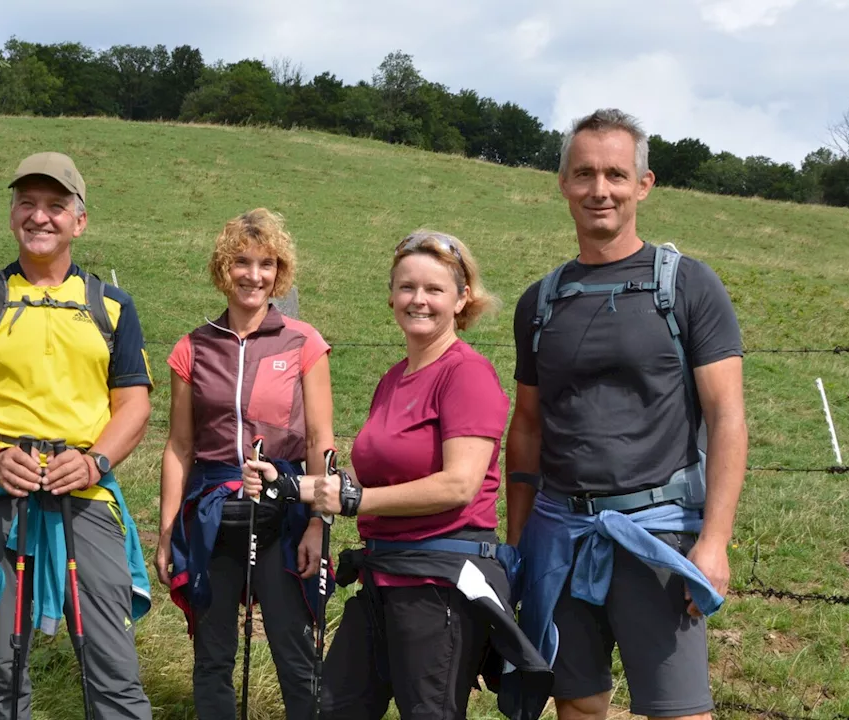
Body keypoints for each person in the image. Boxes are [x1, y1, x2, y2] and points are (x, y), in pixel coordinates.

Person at [502, 108, 748, 720]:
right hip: (560, 535)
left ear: (644, 184)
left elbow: (727, 418)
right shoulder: (541, 300)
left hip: (658, 534)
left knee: (679, 712)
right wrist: (519, 543)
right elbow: (527, 425)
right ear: (562, 183)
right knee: (578, 706)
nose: (599, 189)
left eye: (616, 173)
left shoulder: (688, 286)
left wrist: (713, 542)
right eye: (584, 174)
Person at [244, 230, 552, 720]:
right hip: (382, 577)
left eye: (434, 289)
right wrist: (288, 483)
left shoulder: (466, 375)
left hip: (439, 583)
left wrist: (351, 500)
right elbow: (376, 479)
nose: (419, 300)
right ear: (391, 296)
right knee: (334, 709)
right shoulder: (393, 378)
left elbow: (459, 485)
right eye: (407, 287)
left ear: (462, 297)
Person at [0, 151, 155, 720]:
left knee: (113, 665)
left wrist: (95, 463)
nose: (40, 217)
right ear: (12, 215)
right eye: (27, 204)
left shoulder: (111, 305)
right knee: (2, 671)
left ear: (80, 221)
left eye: (56, 206)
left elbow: (133, 404)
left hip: (85, 492)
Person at [153, 208, 334, 720]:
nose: (254, 275)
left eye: (267, 263)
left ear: (280, 273)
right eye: (242, 262)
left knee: (296, 655)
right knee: (212, 658)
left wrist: (318, 524)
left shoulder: (303, 342)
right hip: (211, 509)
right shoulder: (192, 347)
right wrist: (167, 532)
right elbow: (179, 447)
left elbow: (321, 438)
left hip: (286, 505)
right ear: (222, 268)